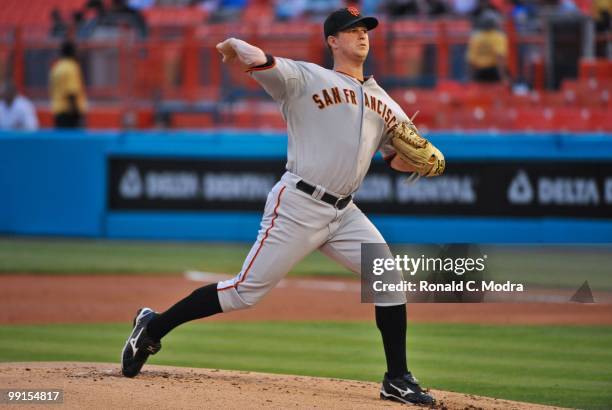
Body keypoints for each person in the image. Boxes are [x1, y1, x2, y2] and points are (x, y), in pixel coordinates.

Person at [120, 7, 437, 406]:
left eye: (365, 29)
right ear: (332, 41)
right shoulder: (306, 78)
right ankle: (152, 327)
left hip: (344, 212)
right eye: (351, 30)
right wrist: (237, 45)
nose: (361, 35)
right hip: (299, 203)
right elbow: (265, 61)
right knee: (243, 292)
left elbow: (397, 159)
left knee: (387, 277)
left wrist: (422, 161)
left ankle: (397, 378)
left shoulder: (387, 104)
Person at [49, 41, 87, 128]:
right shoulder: (71, 67)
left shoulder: (56, 67)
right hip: (70, 113)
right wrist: (77, 115)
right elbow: (71, 92)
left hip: (58, 112)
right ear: (72, 52)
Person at [466, 10, 510, 83]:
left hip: (479, 72)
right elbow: (500, 57)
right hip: (494, 72)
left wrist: (471, 78)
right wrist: (503, 77)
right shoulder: (498, 36)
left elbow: (471, 60)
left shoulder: (476, 37)